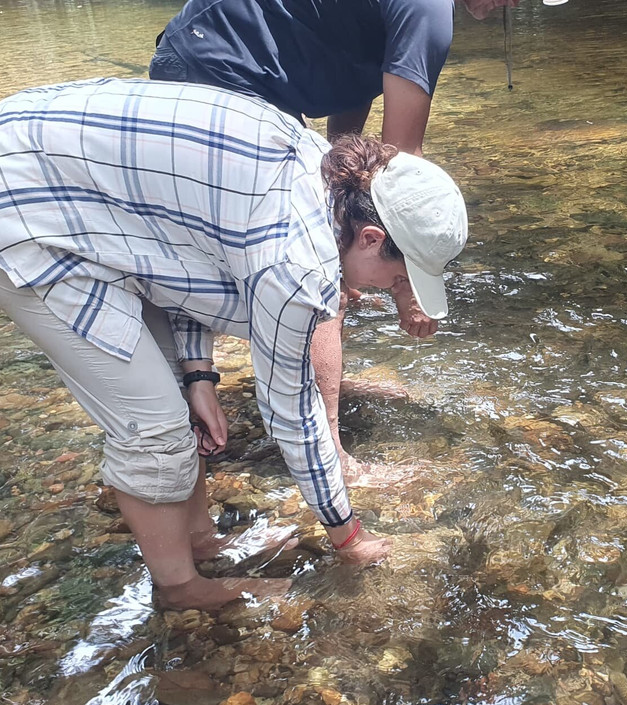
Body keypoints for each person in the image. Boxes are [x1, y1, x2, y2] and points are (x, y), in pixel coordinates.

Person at [0, 77, 469, 611]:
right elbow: (291, 411)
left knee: (178, 396)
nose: (390, 290)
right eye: (399, 277)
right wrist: (348, 534)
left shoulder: (329, 172)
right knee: (153, 427)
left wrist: (199, 374)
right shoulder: (295, 262)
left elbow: (185, 253)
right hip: (25, 210)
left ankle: (201, 540)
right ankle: (179, 588)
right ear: (370, 238)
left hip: (71, 180)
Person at [148, 0, 518, 484]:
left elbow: (352, 147)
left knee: (327, 240)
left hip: (226, 60)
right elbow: (397, 172)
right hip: (217, 66)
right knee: (318, 264)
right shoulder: (428, 13)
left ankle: (305, 388)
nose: (515, 4)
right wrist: (408, 293)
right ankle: (328, 450)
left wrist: (344, 219)